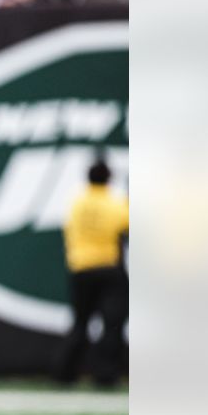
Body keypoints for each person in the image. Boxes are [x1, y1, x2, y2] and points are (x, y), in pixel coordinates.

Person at [53, 158, 128, 387]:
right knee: (112, 324)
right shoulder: (114, 203)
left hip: (81, 268)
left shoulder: (76, 203)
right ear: (109, 178)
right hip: (107, 268)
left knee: (80, 323)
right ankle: (105, 374)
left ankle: (65, 373)